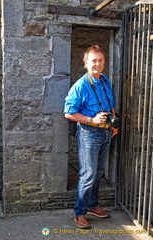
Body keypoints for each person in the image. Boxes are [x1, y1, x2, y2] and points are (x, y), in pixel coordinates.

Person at [63, 45, 118, 229]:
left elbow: (110, 104)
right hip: (89, 135)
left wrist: (112, 122)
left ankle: (93, 205)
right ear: (86, 63)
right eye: (93, 60)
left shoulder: (105, 81)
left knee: (98, 173)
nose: (97, 64)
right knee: (88, 175)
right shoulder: (80, 86)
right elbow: (68, 113)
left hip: (106, 132)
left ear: (104, 62)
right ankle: (80, 213)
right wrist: (91, 119)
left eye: (100, 60)